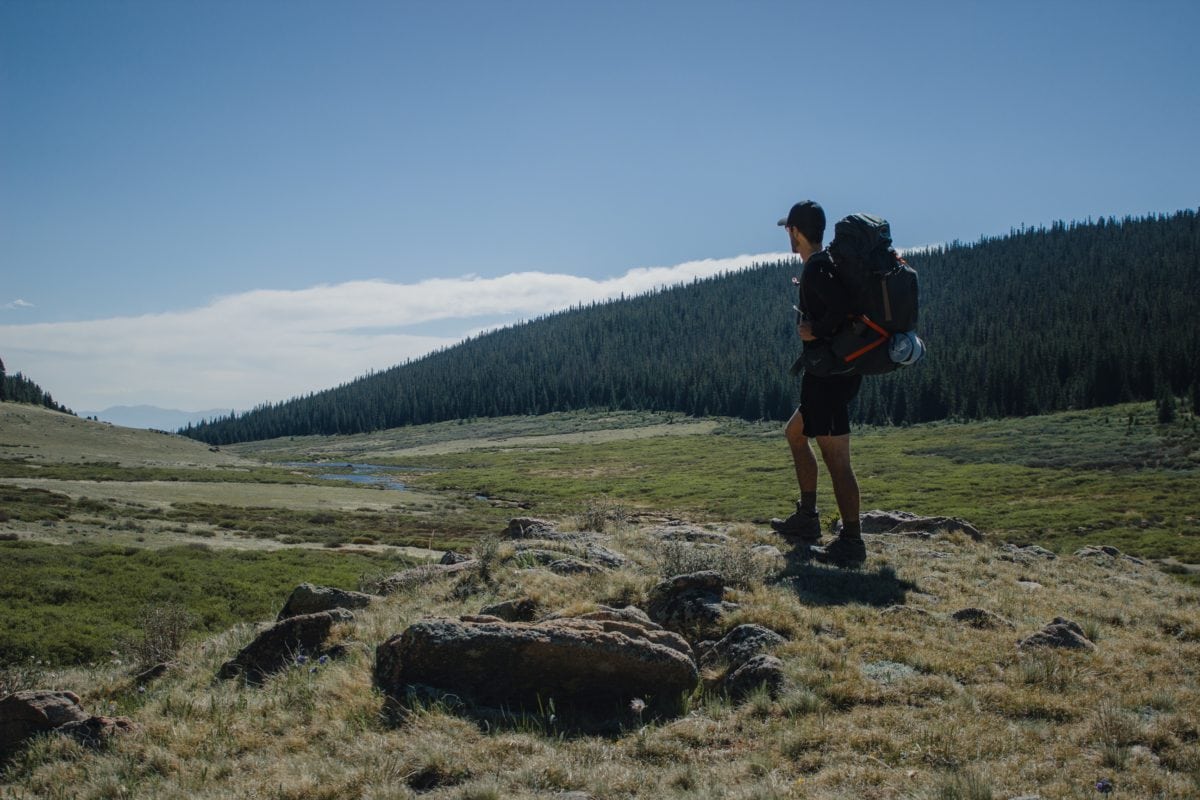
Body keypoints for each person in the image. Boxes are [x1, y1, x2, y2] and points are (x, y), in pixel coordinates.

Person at [770, 200, 867, 567]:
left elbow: (842, 311)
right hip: (828, 375)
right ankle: (807, 519)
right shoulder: (824, 266)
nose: (788, 236)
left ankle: (852, 542)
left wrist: (815, 331)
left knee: (837, 460)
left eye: (788, 230)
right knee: (795, 433)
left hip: (829, 378)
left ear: (795, 232)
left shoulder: (817, 269)